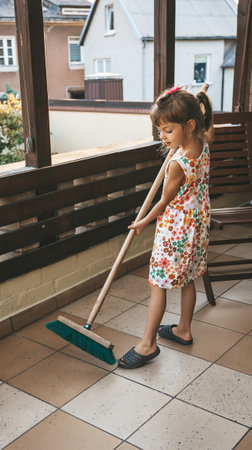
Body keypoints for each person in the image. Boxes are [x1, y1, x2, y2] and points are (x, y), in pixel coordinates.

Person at [118, 85, 213, 369]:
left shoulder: (178, 163)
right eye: (160, 130)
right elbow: (207, 127)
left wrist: (144, 221)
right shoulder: (203, 141)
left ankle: (147, 345)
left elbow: (163, 203)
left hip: (176, 230)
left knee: (157, 284)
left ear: (189, 125)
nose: (162, 136)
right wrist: (198, 110)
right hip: (198, 224)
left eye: (169, 130)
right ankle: (183, 329)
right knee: (189, 278)